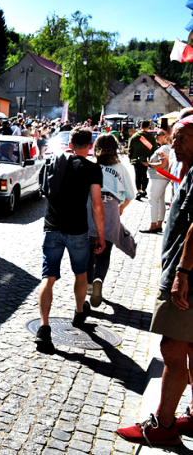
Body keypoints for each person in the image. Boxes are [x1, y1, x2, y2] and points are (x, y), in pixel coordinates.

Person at [117, 116, 193, 447]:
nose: (172, 144)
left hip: (185, 278)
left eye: (180, 139)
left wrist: (181, 273)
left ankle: (162, 427)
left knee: (172, 349)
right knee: (190, 347)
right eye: (172, 138)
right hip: (186, 273)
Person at [35, 127, 105, 353]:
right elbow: (96, 204)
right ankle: (78, 313)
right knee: (81, 273)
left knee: (48, 277)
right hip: (77, 231)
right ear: (90, 146)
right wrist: (101, 235)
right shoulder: (93, 169)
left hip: (52, 227)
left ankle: (44, 329)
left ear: (71, 144)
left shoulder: (56, 162)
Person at [86, 134, 136, 308]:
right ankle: (99, 277)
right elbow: (131, 194)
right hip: (111, 207)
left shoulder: (91, 165)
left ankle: (89, 283)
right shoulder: (120, 168)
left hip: (91, 206)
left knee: (89, 248)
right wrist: (121, 207)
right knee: (104, 250)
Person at [143, 130, 172, 234]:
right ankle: (158, 224)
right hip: (162, 177)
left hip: (158, 177)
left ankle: (153, 224)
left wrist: (149, 164)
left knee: (152, 199)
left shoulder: (164, 148)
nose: (156, 136)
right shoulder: (168, 147)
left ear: (165, 136)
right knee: (160, 200)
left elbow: (163, 164)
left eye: (158, 135)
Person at [128, 120, 158, 201]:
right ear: (149, 127)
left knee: (137, 175)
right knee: (145, 175)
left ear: (141, 126)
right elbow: (155, 148)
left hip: (136, 159)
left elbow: (130, 149)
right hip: (147, 159)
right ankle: (144, 191)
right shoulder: (151, 136)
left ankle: (138, 191)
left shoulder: (134, 136)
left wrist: (130, 158)